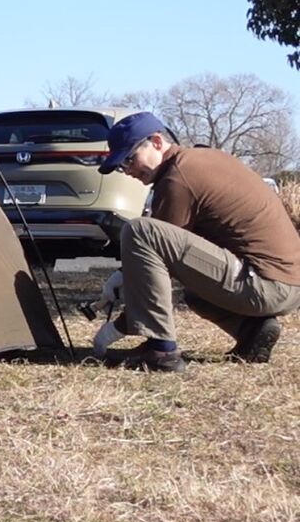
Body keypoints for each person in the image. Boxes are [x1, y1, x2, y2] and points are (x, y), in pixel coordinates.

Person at [90, 112, 300, 371]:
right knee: (196, 294)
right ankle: (251, 330)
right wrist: (123, 276)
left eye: (130, 159)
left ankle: (161, 351)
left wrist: (117, 327)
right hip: (286, 284)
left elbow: (156, 254)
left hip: (266, 285)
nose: (128, 170)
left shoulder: (178, 179)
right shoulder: (203, 158)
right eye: (122, 166)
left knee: (140, 230)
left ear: (156, 142)